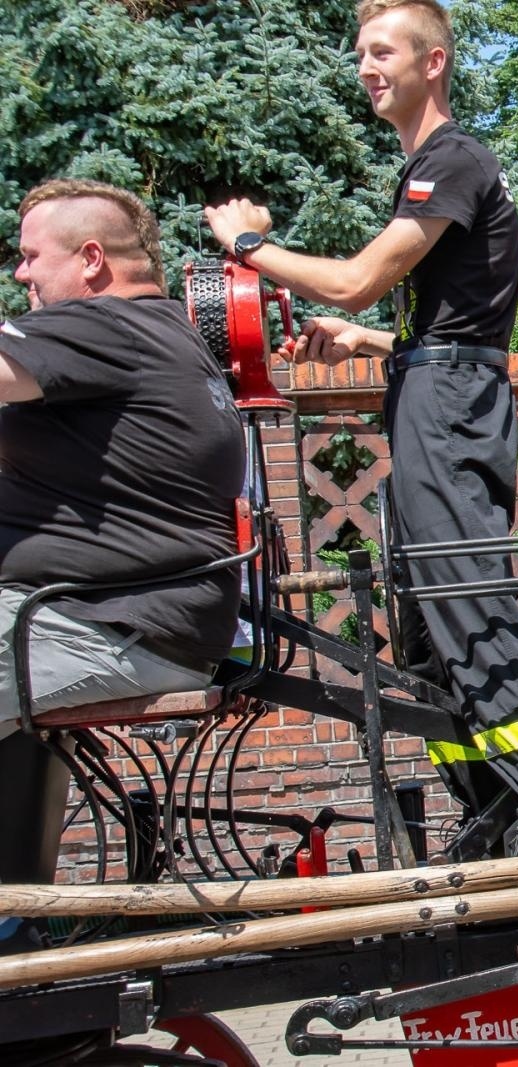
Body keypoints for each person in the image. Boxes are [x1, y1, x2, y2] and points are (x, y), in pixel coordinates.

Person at [204, 0, 518, 855]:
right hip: (434, 387)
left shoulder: (452, 159)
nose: (366, 68)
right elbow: (456, 321)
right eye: (360, 54)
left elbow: (359, 279)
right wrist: (369, 341)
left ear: (433, 61)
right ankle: (493, 809)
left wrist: (250, 246)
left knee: (464, 597)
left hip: (444, 403)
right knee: (424, 627)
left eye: (383, 51)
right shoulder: (434, 166)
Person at [0, 178, 246, 951]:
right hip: (107, 618)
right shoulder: (160, 332)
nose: (20, 273)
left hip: (99, 624)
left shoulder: (104, 326)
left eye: (29, 255)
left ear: (91, 260)